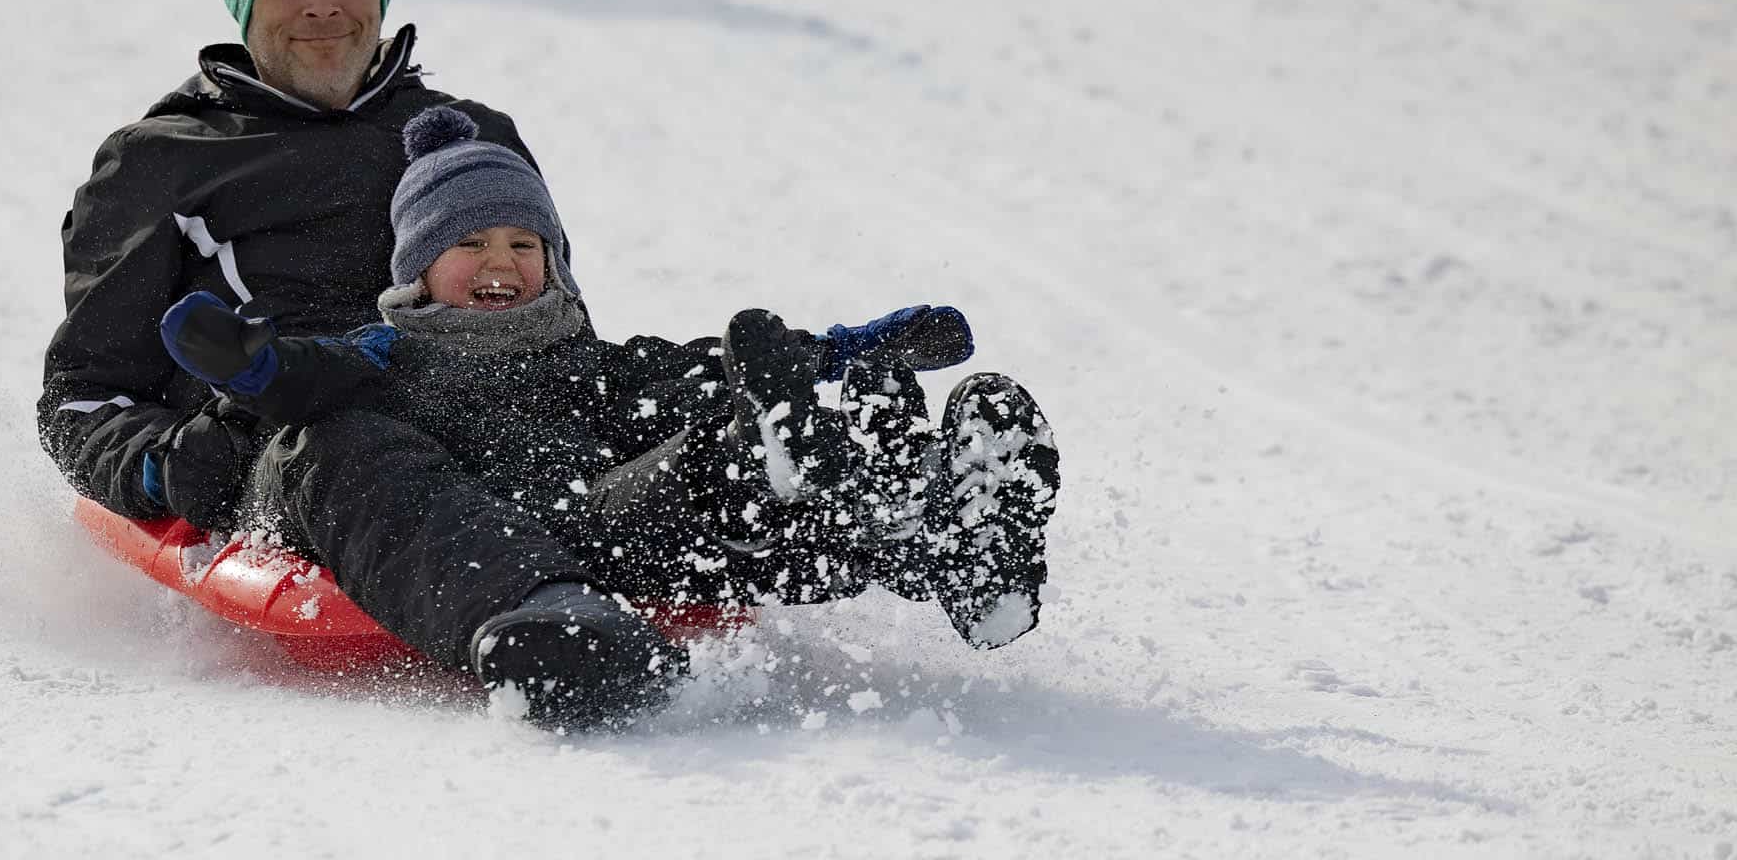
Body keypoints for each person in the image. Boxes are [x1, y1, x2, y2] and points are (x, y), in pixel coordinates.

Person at [158, 106, 1063, 730]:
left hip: (617, 519)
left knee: (718, 432)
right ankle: (779, 483)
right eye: (467, 244)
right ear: (417, 267)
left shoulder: (582, 359)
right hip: (509, 535)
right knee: (720, 481)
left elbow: (699, 367)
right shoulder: (390, 357)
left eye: (524, 243)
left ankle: (938, 534)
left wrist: (846, 350)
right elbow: (308, 385)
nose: (500, 262)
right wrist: (257, 366)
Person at [37, 0, 571, 543]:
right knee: (357, 450)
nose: (322, 4)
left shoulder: (472, 137)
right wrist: (167, 466)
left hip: (502, 447)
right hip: (307, 462)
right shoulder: (161, 162)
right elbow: (83, 395)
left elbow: (559, 325)